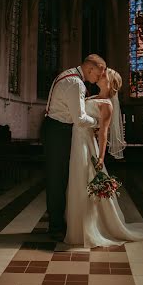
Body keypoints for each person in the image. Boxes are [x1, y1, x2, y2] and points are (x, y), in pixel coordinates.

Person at [65, 68, 143, 247]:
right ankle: (75, 228)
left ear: (110, 82)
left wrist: (100, 158)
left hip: (88, 146)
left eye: (104, 74)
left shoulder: (107, 104)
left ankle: (91, 228)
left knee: (85, 182)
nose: (100, 74)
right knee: (76, 181)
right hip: (76, 142)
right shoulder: (91, 97)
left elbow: (103, 133)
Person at [43, 54, 107, 240]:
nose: (98, 78)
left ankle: (58, 220)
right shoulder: (76, 83)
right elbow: (79, 119)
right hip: (58, 131)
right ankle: (55, 226)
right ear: (90, 68)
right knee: (57, 178)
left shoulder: (70, 75)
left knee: (60, 176)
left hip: (57, 129)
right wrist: (98, 122)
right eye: (99, 73)